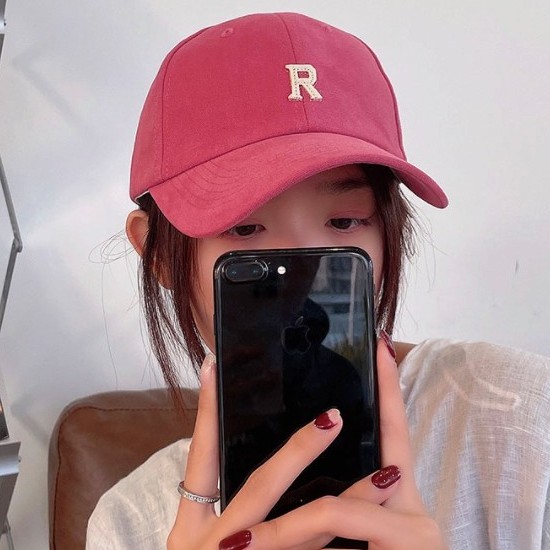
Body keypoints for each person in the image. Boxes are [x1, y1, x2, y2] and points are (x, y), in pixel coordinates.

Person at [86, 12, 550, 550]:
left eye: (345, 222)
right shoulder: (126, 524)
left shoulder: (520, 420)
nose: (302, 278)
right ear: (158, 256)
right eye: (244, 228)